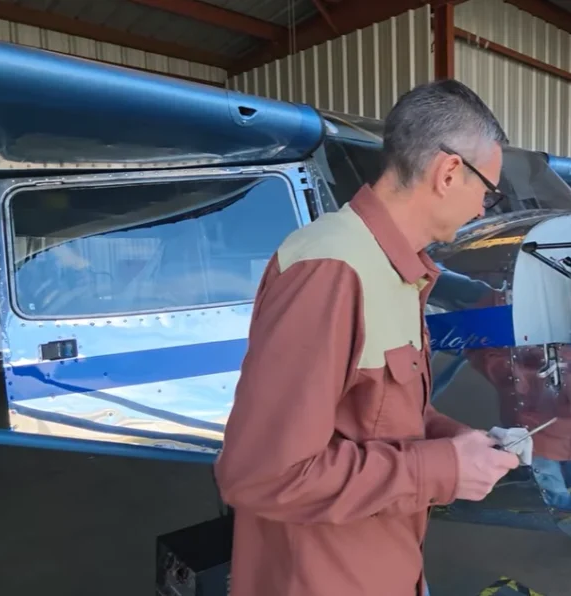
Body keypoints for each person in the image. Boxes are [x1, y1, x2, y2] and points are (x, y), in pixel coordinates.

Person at [213, 79, 520, 596]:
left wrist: (459, 443)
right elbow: (263, 474)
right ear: (448, 172)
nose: (484, 209)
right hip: (322, 576)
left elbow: (376, 413)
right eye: (488, 190)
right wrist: (442, 469)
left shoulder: (393, 268)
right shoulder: (332, 270)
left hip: (384, 561)